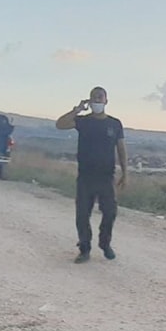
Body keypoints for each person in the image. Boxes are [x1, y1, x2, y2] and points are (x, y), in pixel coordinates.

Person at [55, 86, 127, 263]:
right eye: (93, 98)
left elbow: (121, 148)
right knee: (82, 214)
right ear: (89, 100)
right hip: (86, 176)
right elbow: (60, 124)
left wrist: (125, 172)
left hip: (106, 176)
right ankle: (84, 248)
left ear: (106, 100)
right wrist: (77, 109)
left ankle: (105, 243)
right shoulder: (83, 121)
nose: (97, 101)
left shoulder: (114, 124)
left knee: (110, 212)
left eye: (100, 97)